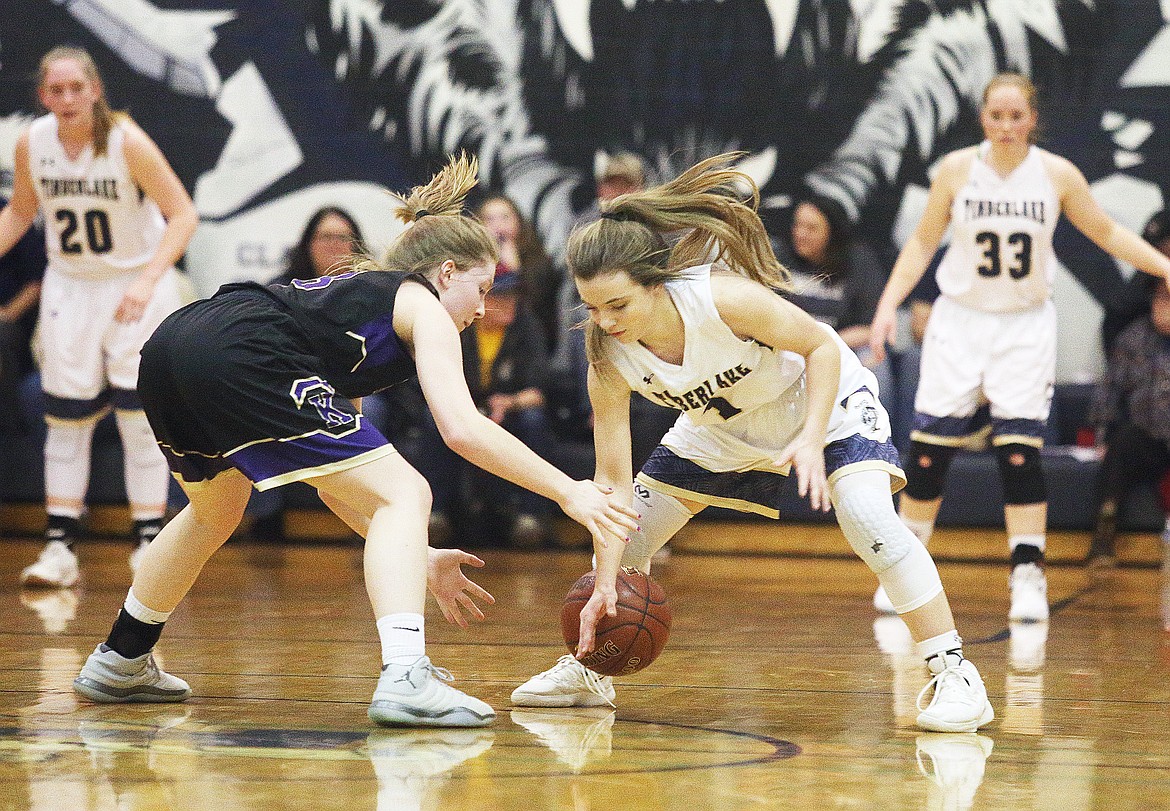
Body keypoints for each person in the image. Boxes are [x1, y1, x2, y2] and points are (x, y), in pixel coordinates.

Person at [69, 153, 639, 730]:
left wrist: (415, 553)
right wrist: (571, 492)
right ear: (445, 272)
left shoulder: (357, 310)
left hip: (174, 347)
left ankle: (123, 655)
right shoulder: (423, 304)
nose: (484, 309)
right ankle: (405, 675)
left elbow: (337, 486)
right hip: (241, 349)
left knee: (215, 510)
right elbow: (463, 430)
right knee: (409, 491)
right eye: (481, 289)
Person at [511, 152, 994, 734]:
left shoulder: (721, 298)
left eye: (619, 305)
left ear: (658, 283)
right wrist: (608, 580)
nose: (605, 320)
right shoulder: (607, 357)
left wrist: (813, 439)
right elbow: (611, 480)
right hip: (719, 427)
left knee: (869, 518)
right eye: (592, 307)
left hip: (822, 401)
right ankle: (592, 668)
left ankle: (955, 674)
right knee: (626, 527)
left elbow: (819, 346)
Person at [867, 73, 1170, 621]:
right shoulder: (957, 170)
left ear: (1033, 119)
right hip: (960, 322)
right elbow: (920, 242)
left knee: (1019, 453)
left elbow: (1107, 233)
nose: (1006, 126)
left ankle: (1028, 573)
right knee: (930, 454)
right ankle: (906, 573)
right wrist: (888, 304)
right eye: (996, 116)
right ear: (982, 117)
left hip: (1024, 325)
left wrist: (1164, 266)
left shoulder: (1057, 175)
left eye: (1016, 116)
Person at [0, 46, 198, 588]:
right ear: (42, 96)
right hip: (71, 287)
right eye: (55, 90)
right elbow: (20, 210)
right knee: (64, 421)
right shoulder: (32, 143)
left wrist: (147, 279)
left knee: (139, 421)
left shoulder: (126, 143)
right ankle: (59, 549)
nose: (66, 100)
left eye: (76, 89)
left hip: (133, 285)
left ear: (94, 91)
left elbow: (183, 213)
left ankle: (149, 546)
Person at [1084, 210, 1170, 567]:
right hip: (1147, 433)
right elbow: (1111, 389)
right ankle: (1104, 534)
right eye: (1162, 300)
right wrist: (1101, 434)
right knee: (1121, 448)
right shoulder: (1133, 336)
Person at [777, 194, 892, 408]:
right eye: (798, 225)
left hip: (841, 346)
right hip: (786, 346)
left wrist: (826, 345)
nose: (800, 234)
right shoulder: (779, 256)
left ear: (832, 232)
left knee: (875, 358)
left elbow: (870, 329)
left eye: (811, 228)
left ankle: (877, 434)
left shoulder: (859, 261)